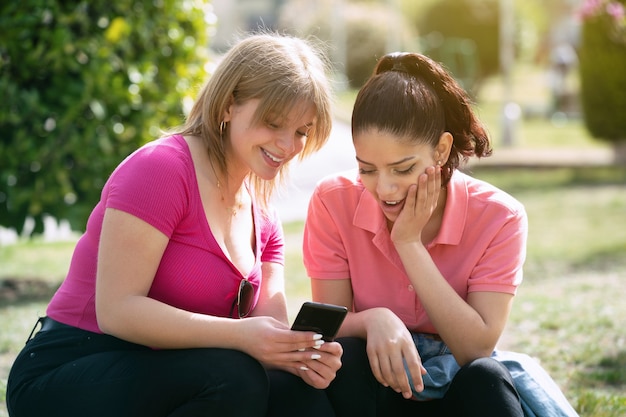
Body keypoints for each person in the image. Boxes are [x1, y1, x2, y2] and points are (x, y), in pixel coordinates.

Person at [7, 32, 342, 417]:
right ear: (229, 105)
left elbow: (269, 328)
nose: (288, 145)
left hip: (170, 375)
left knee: (293, 390)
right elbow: (116, 310)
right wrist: (240, 337)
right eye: (274, 123)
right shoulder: (161, 169)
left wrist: (300, 356)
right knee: (235, 377)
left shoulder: (263, 217)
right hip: (70, 370)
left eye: (302, 131)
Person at [302, 52, 528, 416]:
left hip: (455, 392)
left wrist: (408, 242)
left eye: (402, 169)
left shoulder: (500, 217)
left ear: (440, 149)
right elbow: (330, 325)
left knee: (486, 376)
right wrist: (374, 319)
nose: (385, 189)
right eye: (368, 170)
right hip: (376, 389)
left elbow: (475, 350)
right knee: (348, 356)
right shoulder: (333, 201)